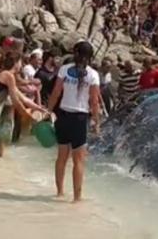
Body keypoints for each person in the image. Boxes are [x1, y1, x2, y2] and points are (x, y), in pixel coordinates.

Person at [0, 51, 49, 191]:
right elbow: (17, 101)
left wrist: (41, 109)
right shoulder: (8, 75)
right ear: (16, 63)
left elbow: (22, 98)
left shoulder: (7, 76)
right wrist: (27, 116)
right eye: (20, 62)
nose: (21, 65)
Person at [47, 41, 100, 202]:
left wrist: (47, 111)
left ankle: (59, 192)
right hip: (80, 118)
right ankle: (77, 198)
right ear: (90, 57)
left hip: (63, 116)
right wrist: (96, 122)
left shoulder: (64, 70)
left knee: (61, 157)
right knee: (78, 161)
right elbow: (94, 101)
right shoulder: (93, 75)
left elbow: (55, 93)